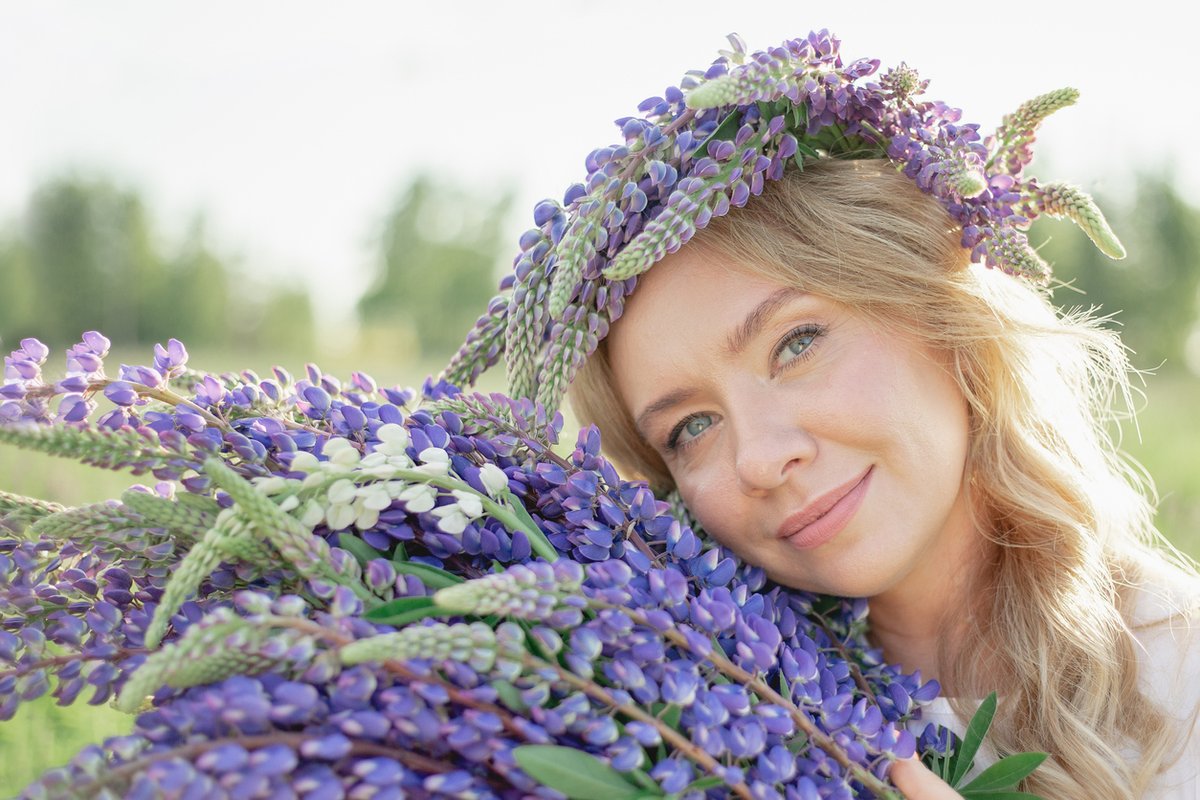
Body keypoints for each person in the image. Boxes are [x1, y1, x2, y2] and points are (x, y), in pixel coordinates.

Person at [445, 30, 1200, 799]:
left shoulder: (1183, 681)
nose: (760, 459)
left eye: (796, 343)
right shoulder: (697, 723)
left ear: (936, 301)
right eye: (690, 429)